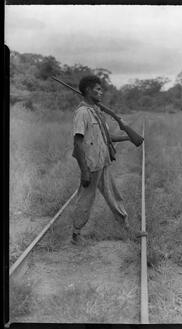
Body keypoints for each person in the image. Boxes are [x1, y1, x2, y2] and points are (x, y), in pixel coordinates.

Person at [71, 75, 133, 245]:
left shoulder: (96, 112)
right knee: (86, 199)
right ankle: (76, 235)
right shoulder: (82, 113)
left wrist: (128, 136)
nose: (101, 92)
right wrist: (84, 170)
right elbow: (77, 143)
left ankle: (125, 227)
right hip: (91, 165)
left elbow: (107, 137)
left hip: (103, 162)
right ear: (88, 91)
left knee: (114, 195)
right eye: (97, 89)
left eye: (101, 89)